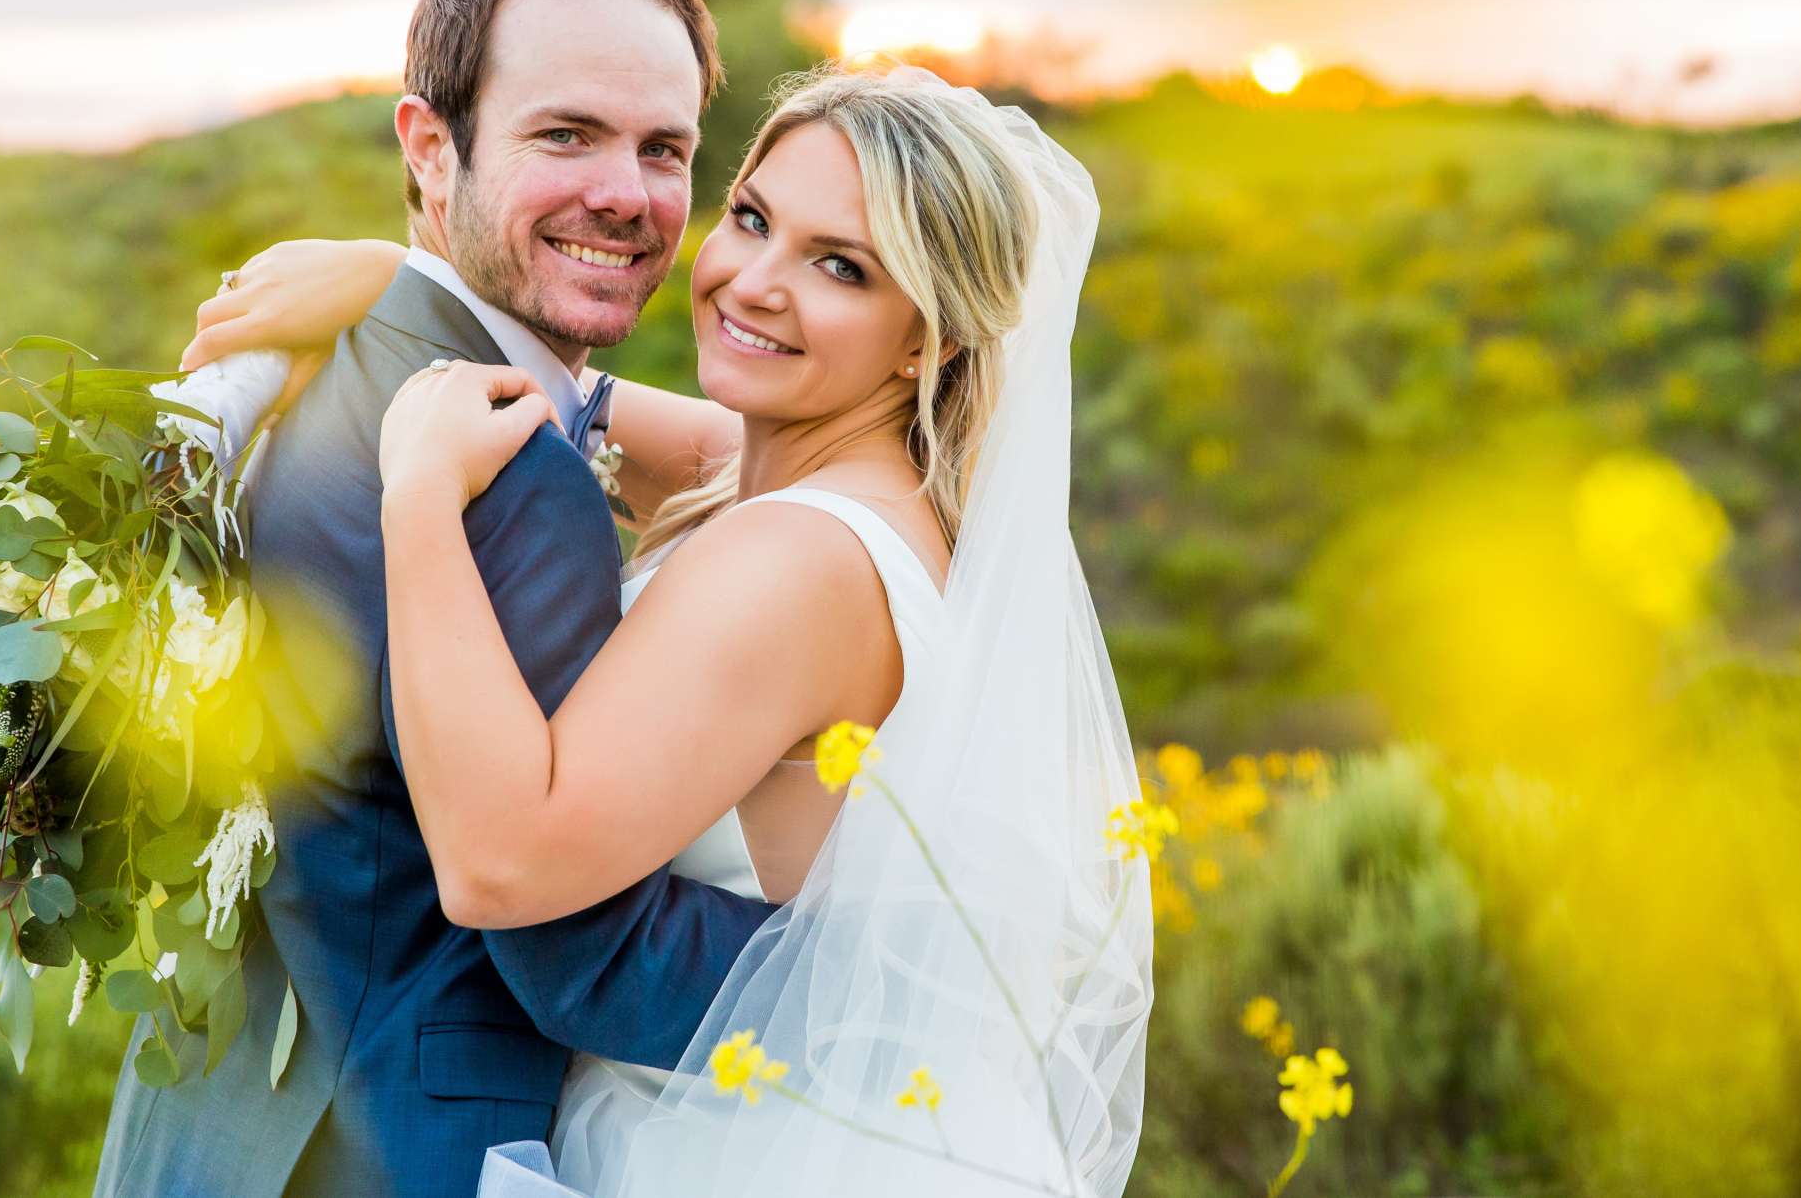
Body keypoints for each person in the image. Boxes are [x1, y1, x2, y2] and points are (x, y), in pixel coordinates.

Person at [186, 65, 1153, 1196]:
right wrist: (395, 280)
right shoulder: (868, 490)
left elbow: (502, 867)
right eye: (752, 218)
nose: (754, 281)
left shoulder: (795, 560)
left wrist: (417, 502)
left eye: (841, 265)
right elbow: (582, 406)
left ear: (924, 343)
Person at [92, 0, 778, 1198]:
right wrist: (874, 978)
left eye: (663, 148)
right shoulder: (508, 485)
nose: (626, 194)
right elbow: (581, 947)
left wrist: (398, 272)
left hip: (215, 1135)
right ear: (430, 146)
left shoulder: (320, 377)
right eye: (565, 135)